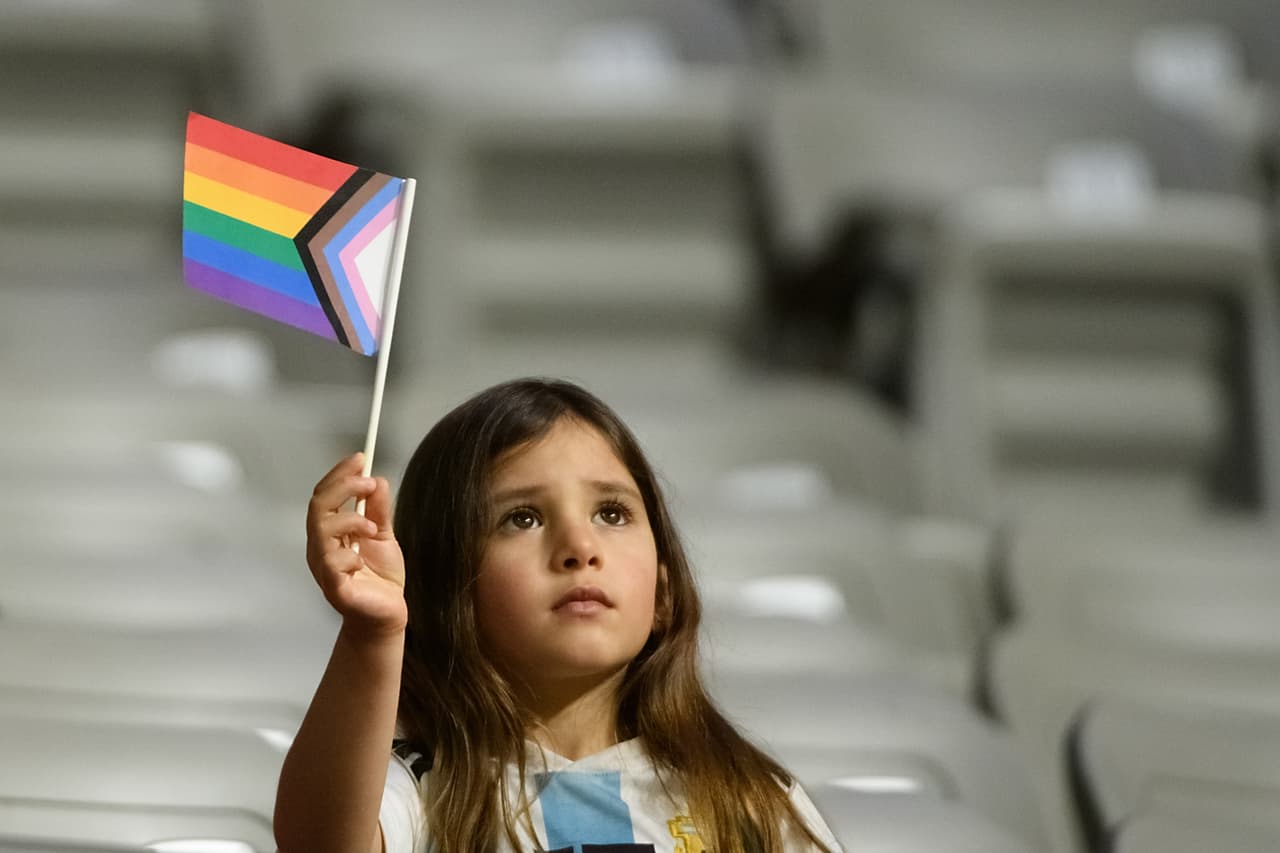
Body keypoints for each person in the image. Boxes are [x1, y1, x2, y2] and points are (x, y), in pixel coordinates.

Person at [274, 377, 843, 853]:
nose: (580, 545)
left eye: (612, 513)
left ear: (664, 593)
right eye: (522, 519)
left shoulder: (749, 801)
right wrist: (373, 634)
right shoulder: (421, 787)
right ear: (445, 592)